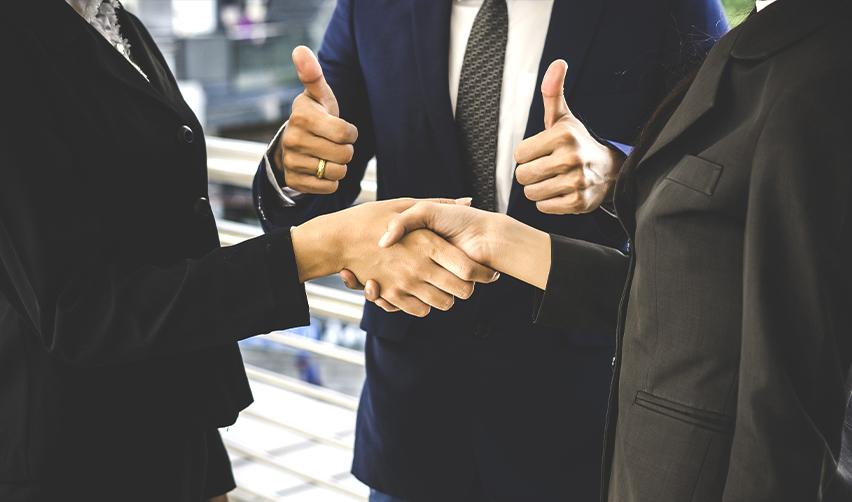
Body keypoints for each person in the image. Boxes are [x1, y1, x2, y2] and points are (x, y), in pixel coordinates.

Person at [0, 1, 497, 500]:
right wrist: (315, 241)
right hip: (72, 457)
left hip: (170, 436)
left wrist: (207, 466)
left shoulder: (111, 18)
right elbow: (77, 311)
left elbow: (154, 246)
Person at [376, 0, 852, 499]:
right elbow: (702, 295)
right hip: (420, 422)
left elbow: (791, 404)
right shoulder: (755, 40)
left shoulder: (823, 70)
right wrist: (498, 241)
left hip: (595, 434)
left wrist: (614, 167)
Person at [254, 0, 727, 500]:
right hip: (415, 416)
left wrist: (617, 173)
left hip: (583, 411)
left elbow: (724, 175)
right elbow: (322, 166)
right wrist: (298, 164)